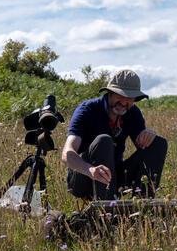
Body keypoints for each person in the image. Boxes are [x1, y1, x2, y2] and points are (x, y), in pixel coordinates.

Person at [61, 69, 168, 200]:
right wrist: (90, 170)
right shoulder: (87, 110)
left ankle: (142, 205)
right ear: (110, 93)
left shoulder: (133, 113)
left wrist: (148, 136)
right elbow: (67, 154)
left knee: (158, 143)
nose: (123, 102)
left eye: (129, 98)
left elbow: (144, 149)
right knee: (104, 140)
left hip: (115, 177)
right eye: (120, 95)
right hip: (84, 177)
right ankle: (107, 208)